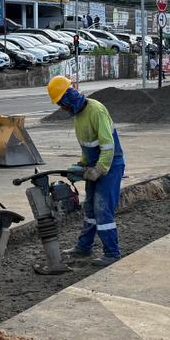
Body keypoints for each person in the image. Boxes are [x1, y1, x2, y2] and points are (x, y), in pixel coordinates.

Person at [45, 75, 124, 269]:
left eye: (61, 104)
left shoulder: (96, 110)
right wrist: (82, 166)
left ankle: (112, 253)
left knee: (102, 208)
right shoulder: (79, 116)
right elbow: (87, 145)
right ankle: (84, 247)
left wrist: (99, 170)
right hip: (94, 166)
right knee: (89, 208)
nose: (62, 108)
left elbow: (108, 147)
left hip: (110, 166)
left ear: (68, 97)